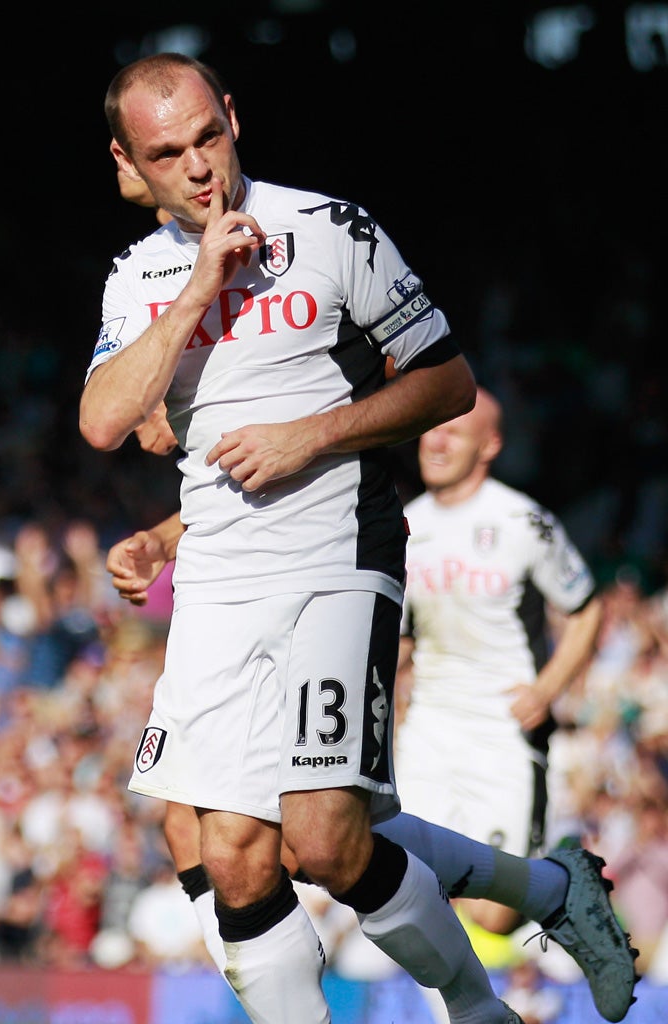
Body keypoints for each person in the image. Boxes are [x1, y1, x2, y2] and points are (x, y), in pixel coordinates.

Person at [81, 52, 636, 1024]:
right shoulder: (138, 279)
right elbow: (102, 418)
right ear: (130, 162)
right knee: (237, 852)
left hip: (338, 557)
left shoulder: (329, 229)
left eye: (210, 135)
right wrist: (194, 292)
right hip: (218, 580)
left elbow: (447, 382)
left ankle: (479, 1009)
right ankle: (552, 894)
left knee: (327, 840)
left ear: (235, 118)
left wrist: (313, 432)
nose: (201, 166)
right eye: (170, 153)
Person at [391, 386, 604, 936]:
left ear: (489, 445)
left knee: (496, 914)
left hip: (502, 729)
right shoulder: (404, 527)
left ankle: (565, 881)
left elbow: (585, 609)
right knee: (410, 886)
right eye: (431, 426)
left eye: (453, 431)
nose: (435, 441)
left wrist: (546, 690)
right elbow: (404, 636)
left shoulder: (523, 521)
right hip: (431, 727)